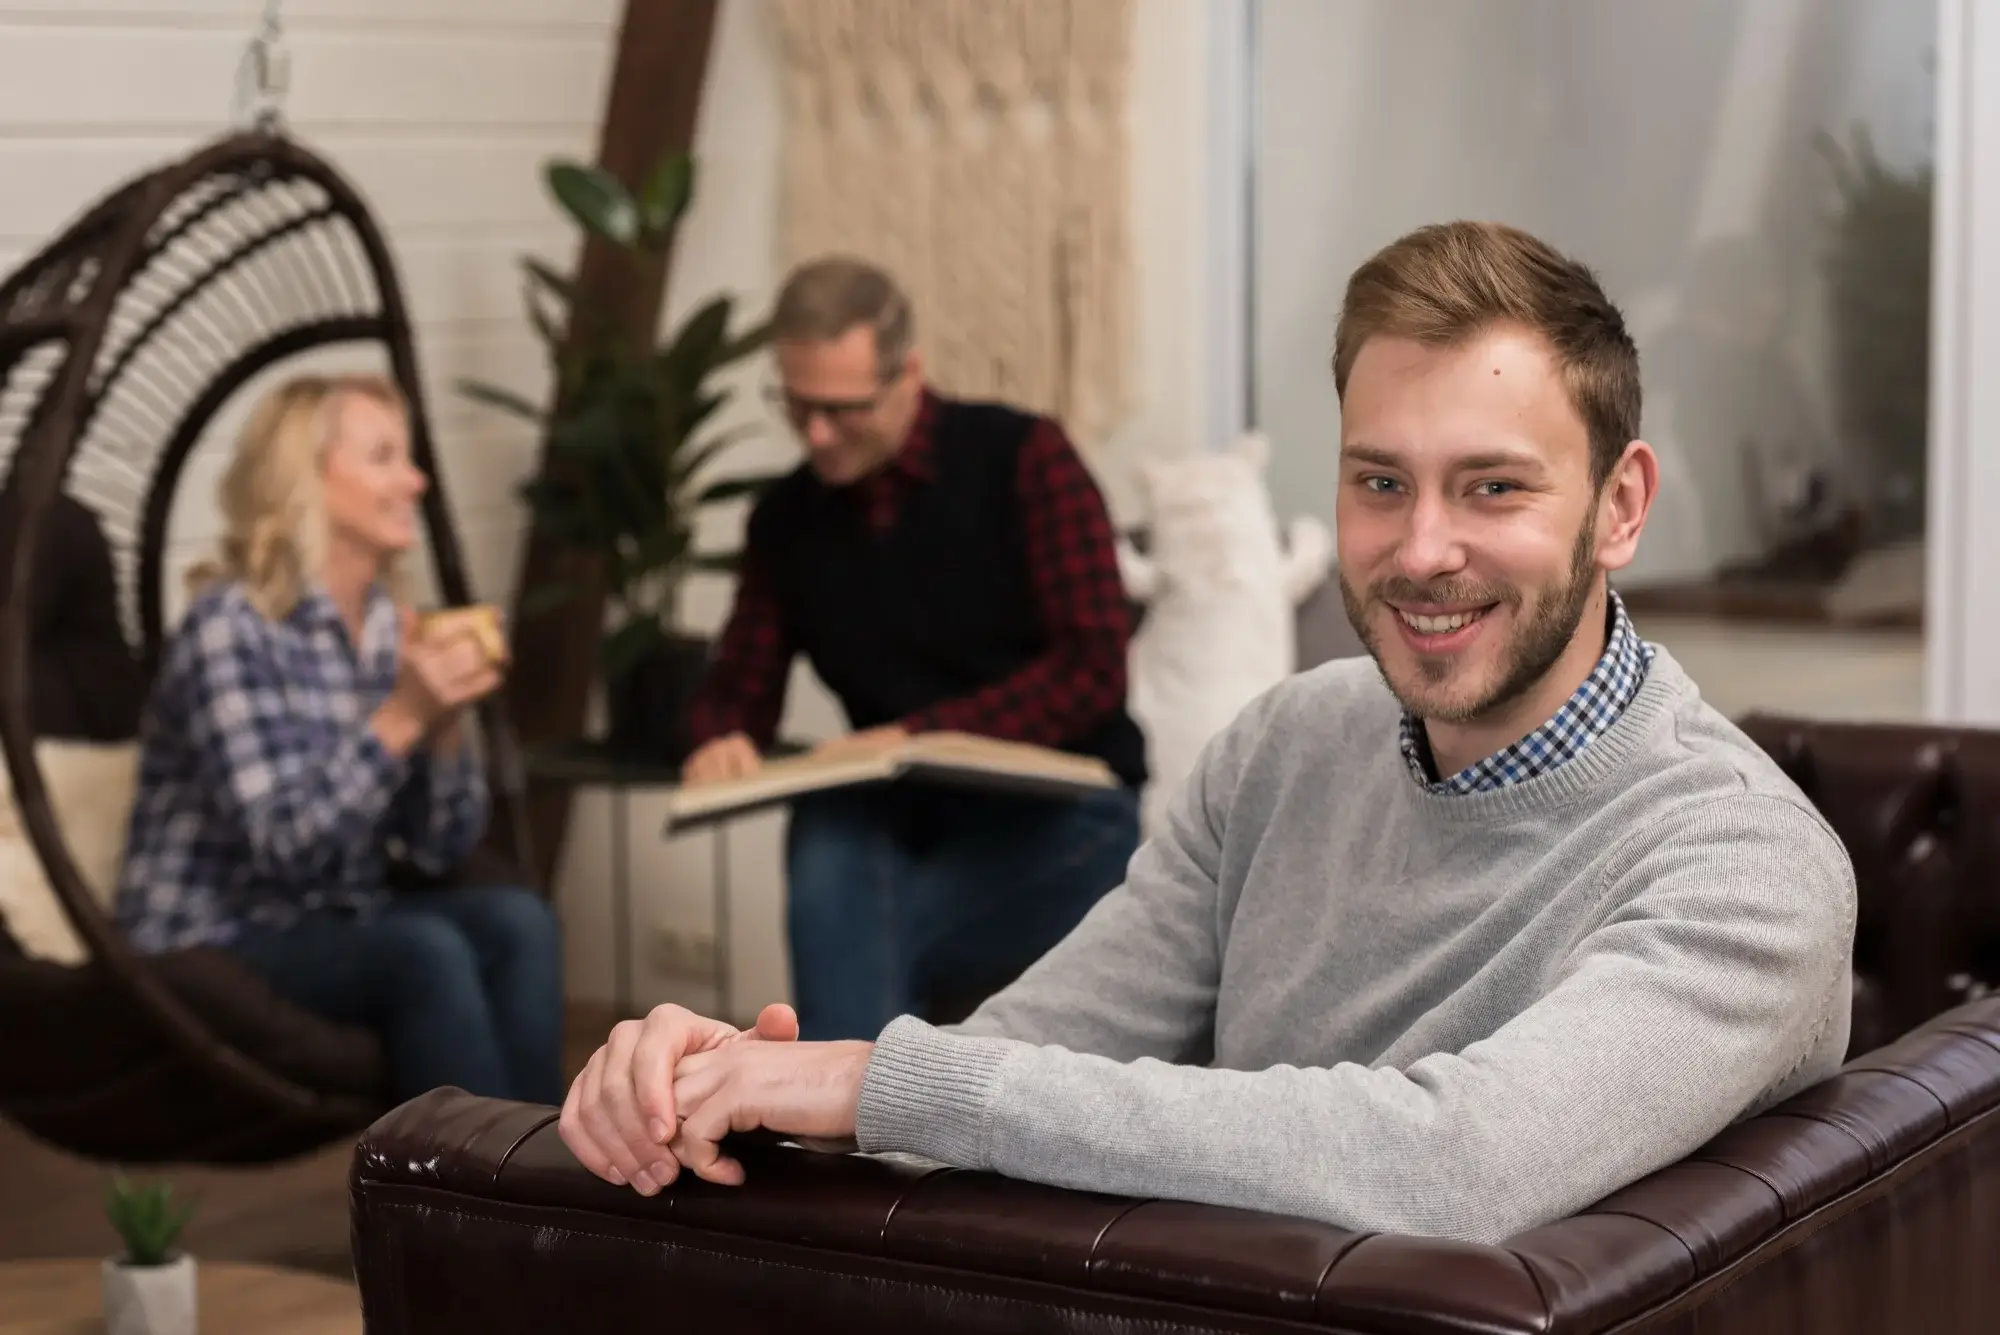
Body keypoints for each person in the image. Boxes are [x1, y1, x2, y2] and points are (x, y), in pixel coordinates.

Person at [559, 222, 1858, 1243]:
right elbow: (1018, 1055)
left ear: (1621, 505)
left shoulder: (1746, 866)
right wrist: (716, 1079)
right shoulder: (1286, 744)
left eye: (1494, 486)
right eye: (1378, 481)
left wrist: (878, 1083)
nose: (1421, 550)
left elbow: (1455, 1161)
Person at [677, 256, 1147, 1042]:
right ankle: (872, 1116)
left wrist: (922, 736)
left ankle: (838, 1120)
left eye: (843, 408)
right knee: (833, 832)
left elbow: (1092, 672)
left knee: (860, 926)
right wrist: (717, 736)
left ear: (909, 375)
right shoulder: (787, 520)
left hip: (1064, 816)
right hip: (898, 820)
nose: (817, 433)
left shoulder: (1025, 459)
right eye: (796, 406)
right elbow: (741, 683)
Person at [115, 373, 565, 1106]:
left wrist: (444, 729)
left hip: (335, 913)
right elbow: (282, 844)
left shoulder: (391, 626)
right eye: (385, 456)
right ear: (307, 478)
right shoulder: (230, 627)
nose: (414, 479)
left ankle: (553, 1188)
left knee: (521, 920)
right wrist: (402, 719)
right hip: (215, 931)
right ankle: (472, 1211)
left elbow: (436, 849)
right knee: (424, 950)